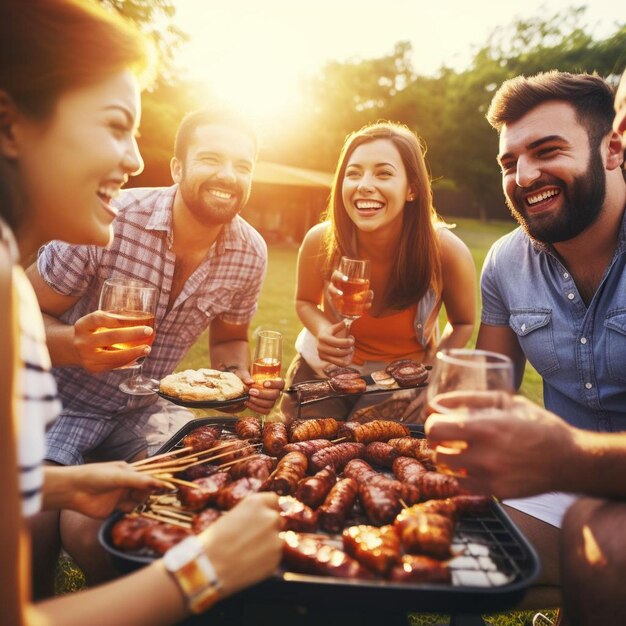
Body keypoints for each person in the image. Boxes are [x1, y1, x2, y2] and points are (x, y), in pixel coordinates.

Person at [0, 1, 282, 625]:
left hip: (148, 407)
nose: (228, 176)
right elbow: (26, 318)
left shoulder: (249, 252)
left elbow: (231, 342)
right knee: (42, 532)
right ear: (178, 166)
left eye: (243, 165)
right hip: (63, 405)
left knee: (126, 517)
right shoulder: (106, 217)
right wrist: (75, 344)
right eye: (212, 158)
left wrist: (239, 387)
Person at [427, 69, 626, 625]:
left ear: (612, 149)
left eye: (547, 150)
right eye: (509, 162)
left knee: (606, 550)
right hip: (561, 483)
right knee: (446, 548)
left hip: (583, 472)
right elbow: (484, 391)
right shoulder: (507, 262)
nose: (524, 174)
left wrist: (567, 457)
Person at [279, 121, 476, 422]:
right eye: (353, 173)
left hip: (398, 378)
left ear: (411, 189)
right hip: (323, 370)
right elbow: (304, 302)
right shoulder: (321, 240)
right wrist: (321, 330)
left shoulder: (446, 251)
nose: (364, 185)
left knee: (376, 458)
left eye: (383, 173)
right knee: (306, 449)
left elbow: (463, 322)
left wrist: (436, 374)